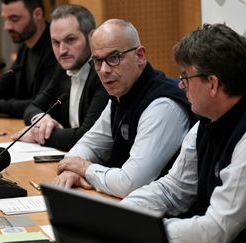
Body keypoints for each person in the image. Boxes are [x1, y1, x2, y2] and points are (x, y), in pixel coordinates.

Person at [121, 23, 246, 242]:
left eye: (185, 77)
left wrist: (146, 229)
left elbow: (216, 231)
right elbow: (175, 189)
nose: (181, 86)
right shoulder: (208, 120)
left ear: (213, 84)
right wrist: (125, 213)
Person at [53, 19, 192, 198]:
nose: (103, 70)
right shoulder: (121, 96)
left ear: (140, 56)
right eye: (97, 61)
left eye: (113, 58)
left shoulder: (163, 106)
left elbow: (129, 184)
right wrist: (71, 170)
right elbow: (90, 144)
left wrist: (84, 168)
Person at [12, 4, 108, 151]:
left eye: (70, 40)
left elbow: (86, 136)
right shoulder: (63, 70)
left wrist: (37, 134)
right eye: (56, 43)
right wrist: (41, 119)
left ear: (91, 37)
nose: (62, 51)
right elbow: (33, 107)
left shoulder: (103, 74)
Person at [0, 0, 58, 118]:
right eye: (5, 19)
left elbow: (43, 104)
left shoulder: (56, 50)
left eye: (14, 19)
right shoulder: (26, 44)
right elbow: (9, 80)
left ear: (37, 15)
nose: (7, 26)